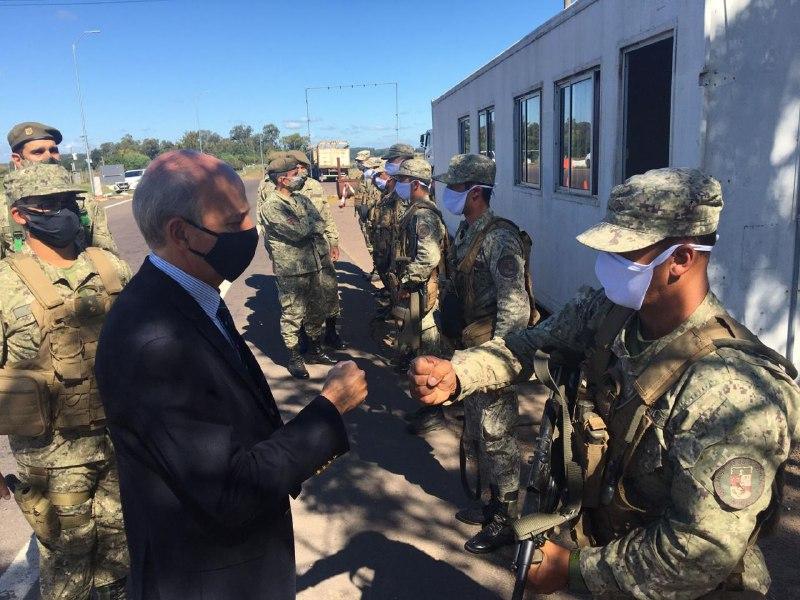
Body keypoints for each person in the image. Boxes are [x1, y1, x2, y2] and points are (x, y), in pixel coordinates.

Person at [408, 168, 800, 597]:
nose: (608, 265)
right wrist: (460, 372)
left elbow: (701, 550)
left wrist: (575, 569)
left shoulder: (731, 391)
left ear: (682, 259)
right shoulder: (610, 313)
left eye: (625, 252)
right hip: (616, 554)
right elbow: (531, 345)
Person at [94, 150, 368, 600]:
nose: (251, 232)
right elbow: (228, 490)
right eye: (235, 222)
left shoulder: (191, 294)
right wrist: (329, 408)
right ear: (181, 233)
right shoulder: (157, 341)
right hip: (211, 580)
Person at [0, 163, 131, 600]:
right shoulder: (5, 283)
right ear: (21, 215)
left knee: (120, 554)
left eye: (69, 203)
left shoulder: (111, 268)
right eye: (50, 205)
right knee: (70, 561)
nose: (63, 212)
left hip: (118, 441)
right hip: (50, 455)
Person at [431, 154, 534, 553]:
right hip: (470, 349)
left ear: (476, 192)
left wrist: (500, 360)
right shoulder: (466, 231)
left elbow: (516, 307)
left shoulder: (499, 238)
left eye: (455, 188)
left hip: (492, 352)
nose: (448, 195)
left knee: (497, 437)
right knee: (476, 432)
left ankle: (508, 521)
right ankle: (493, 502)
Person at [257, 151, 346, 350]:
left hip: (319, 248)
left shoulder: (314, 186)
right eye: (296, 169)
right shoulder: (268, 190)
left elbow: (325, 217)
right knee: (298, 302)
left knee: (329, 291)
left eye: (301, 168)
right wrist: (273, 253)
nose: (300, 172)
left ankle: (331, 333)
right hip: (293, 255)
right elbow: (266, 225)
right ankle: (303, 340)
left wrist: (333, 241)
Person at [1, 122, 118, 258]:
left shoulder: (85, 203)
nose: (49, 157)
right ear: (17, 159)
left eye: (53, 150)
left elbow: (108, 258)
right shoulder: (3, 210)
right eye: (38, 152)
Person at [388, 157, 445, 369]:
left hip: (424, 287)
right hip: (419, 285)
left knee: (427, 337)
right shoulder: (415, 210)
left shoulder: (423, 215)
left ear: (414, 184)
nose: (398, 184)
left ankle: (435, 394)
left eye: (402, 179)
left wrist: (408, 281)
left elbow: (429, 257)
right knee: (415, 331)